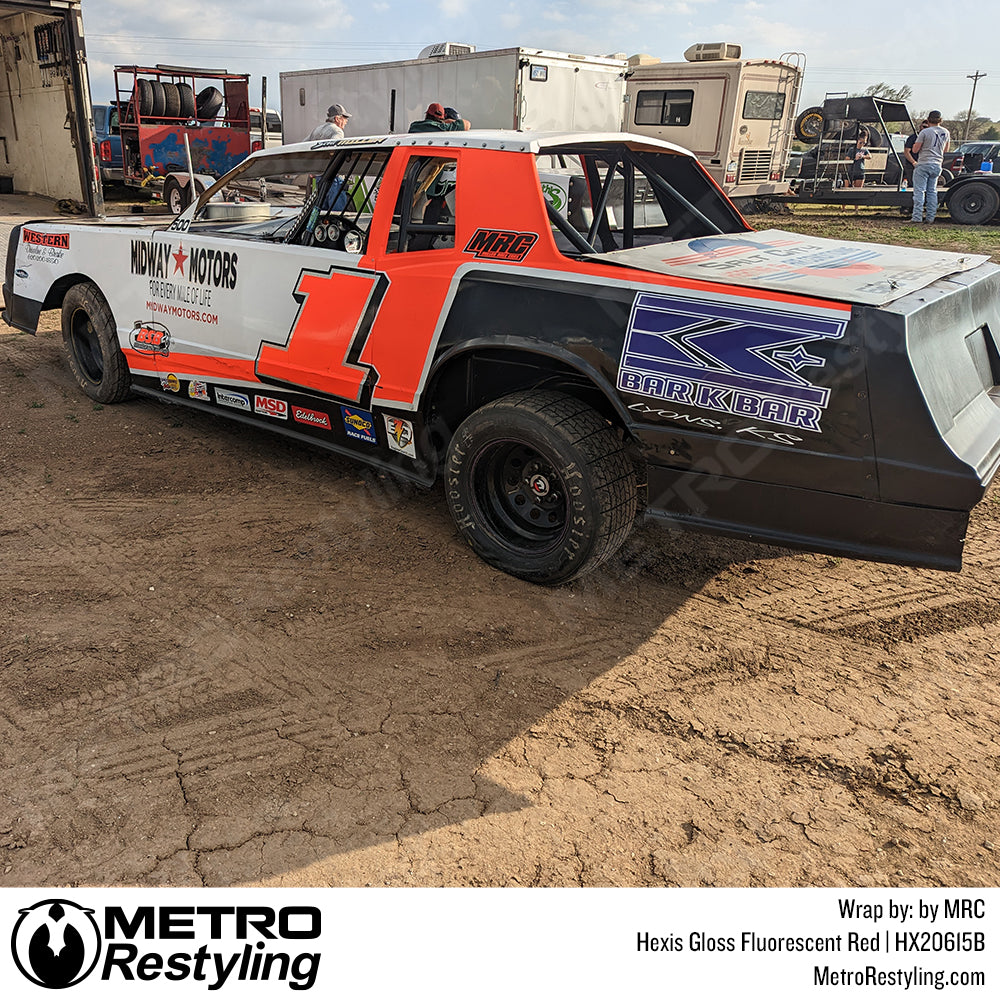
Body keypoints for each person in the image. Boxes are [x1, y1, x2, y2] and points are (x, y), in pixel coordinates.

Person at [910, 110, 951, 224]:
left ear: (928, 119)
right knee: (932, 191)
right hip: (937, 164)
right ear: (940, 120)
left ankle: (917, 217)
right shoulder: (946, 132)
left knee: (919, 191)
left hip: (924, 163)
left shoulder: (925, 132)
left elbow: (915, 149)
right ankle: (930, 217)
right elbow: (946, 150)